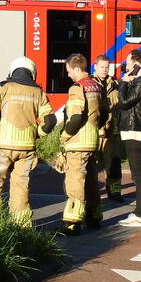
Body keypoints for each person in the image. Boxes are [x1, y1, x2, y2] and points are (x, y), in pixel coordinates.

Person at [0, 57, 57, 228]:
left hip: (3, 148)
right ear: (32, 73)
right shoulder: (38, 92)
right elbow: (50, 121)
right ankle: (22, 225)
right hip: (26, 149)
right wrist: (38, 133)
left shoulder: (4, 89)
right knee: (21, 185)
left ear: (12, 71)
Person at [58, 53, 109, 235]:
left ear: (77, 69)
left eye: (69, 71)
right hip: (92, 141)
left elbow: (76, 117)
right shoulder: (97, 85)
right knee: (91, 183)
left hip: (78, 142)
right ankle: (94, 217)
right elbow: (104, 112)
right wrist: (95, 128)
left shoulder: (77, 88)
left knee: (75, 182)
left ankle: (72, 222)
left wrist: (64, 136)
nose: (69, 75)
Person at [118, 49, 141, 227]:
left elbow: (125, 102)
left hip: (135, 130)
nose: (126, 66)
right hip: (139, 130)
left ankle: (139, 214)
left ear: (136, 64)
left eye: (128, 62)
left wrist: (123, 83)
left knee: (138, 174)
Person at [93, 55, 124, 203]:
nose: (105, 70)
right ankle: (90, 192)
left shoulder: (115, 84)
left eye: (107, 67)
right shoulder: (89, 84)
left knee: (114, 164)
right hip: (95, 132)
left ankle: (115, 192)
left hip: (112, 131)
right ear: (95, 67)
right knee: (92, 164)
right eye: (102, 67)